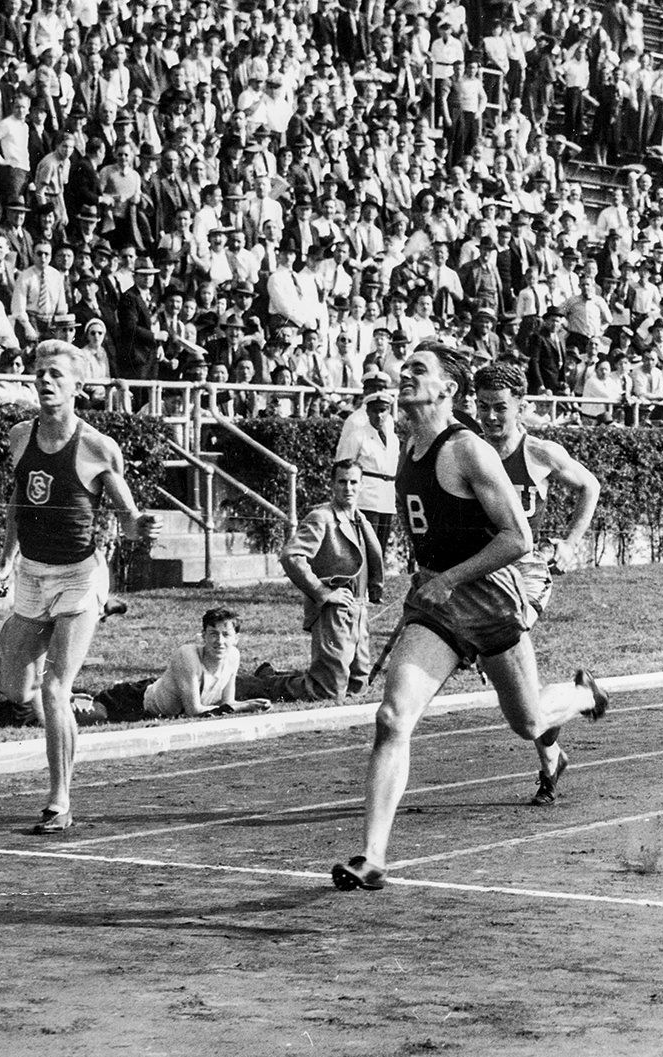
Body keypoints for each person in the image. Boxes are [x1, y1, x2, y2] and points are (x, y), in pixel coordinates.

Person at [334, 344, 608, 892]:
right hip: (435, 605)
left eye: (419, 371)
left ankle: (582, 696)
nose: (405, 375)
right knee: (391, 718)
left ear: (446, 389)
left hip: (488, 598)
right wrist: (425, 573)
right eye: (403, 367)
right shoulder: (404, 445)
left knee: (528, 723)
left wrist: (449, 578)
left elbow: (518, 537)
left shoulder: (467, 450)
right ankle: (372, 858)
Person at [0, 341, 160, 834]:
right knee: (16, 689)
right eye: (40, 374)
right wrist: (5, 557)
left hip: (80, 577)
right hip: (32, 575)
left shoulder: (98, 446)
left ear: (78, 386)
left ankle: (60, 801)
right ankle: (6, 655)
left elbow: (126, 512)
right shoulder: (20, 436)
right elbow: (19, 496)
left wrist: (138, 526)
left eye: (56, 374)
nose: (45, 381)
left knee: (56, 688)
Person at [472, 362, 603, 803]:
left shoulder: (538, 452)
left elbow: (589, 486)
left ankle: (580, 698)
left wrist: (570, 542)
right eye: (483, 407)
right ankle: (557, 746)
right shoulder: (468, 451)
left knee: (499, 646)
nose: (490, 417)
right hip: (481, 573)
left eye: (500, 408)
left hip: (526, 573)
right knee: (521, 699)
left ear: (522, 407)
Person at [246, 462, 385, 703]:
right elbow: (291, 556)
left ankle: (271, 676)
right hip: (335, 610)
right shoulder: (321, 518)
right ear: (332, 485)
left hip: (359, 609)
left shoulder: (362, 521)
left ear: (361, 485)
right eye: (342, 481)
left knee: (357, 685)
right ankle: (261, 684)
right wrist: (323, 591)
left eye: (354, 482)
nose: (348, 488)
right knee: (327, 690)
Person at [78, 609, 272, 723]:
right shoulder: (187, 655)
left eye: (226, 635)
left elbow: (226, 703)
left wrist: (249, 705)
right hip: (131, 701)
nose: (219, 641)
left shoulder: (233, 656)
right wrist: (245, 706)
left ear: (236, 639)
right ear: (203, 636)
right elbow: (194, 711)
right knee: (93, 715)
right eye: (213, 634)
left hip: (158, 695)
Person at [335, 374, 400, 552]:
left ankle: (378, 580)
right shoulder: (356, 425)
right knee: (365, 546)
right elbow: (344, 461)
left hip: (386, 497)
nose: (379, 415)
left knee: (381, 548)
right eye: (375, 410)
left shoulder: (392, 434)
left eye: (383, 410)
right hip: (366, 496)